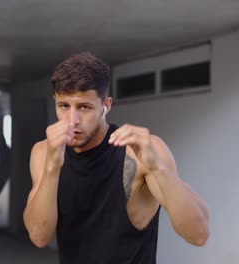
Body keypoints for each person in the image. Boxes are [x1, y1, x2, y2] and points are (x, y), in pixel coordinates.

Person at [23, 52, 210, 264]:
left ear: (106, 105)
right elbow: (39, 236)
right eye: (64, 106)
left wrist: (157, 167)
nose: (72, 120)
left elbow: (198, 234)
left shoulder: (137, 152)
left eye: (84, 107)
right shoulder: (43, 153)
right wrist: (52, 168)